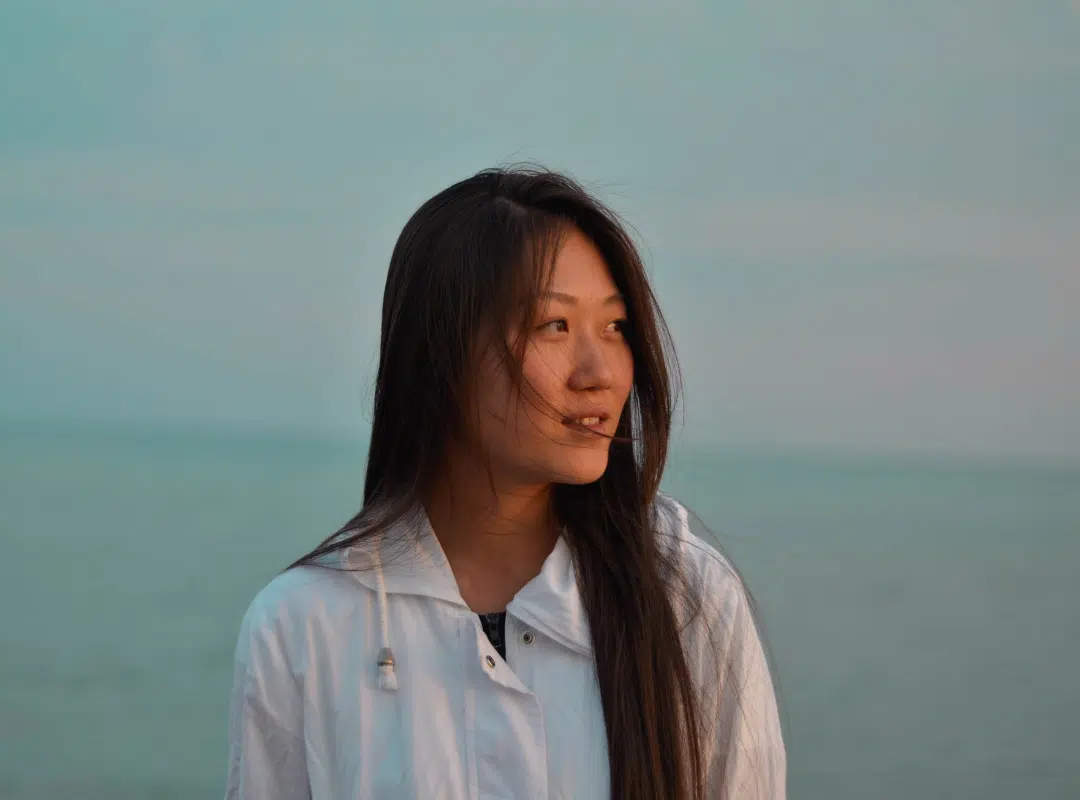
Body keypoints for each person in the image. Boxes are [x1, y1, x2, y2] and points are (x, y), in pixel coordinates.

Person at [224, 166, 786, 799]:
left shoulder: (688, 599)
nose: (599, 372)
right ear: (443, 352)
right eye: (554, 326)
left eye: (615, 327)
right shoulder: (303, 624)